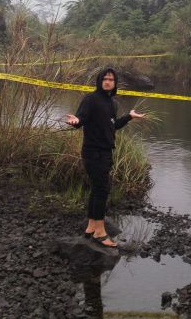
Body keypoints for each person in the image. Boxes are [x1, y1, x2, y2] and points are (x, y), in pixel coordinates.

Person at [65, 67, 145, 248]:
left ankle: (91, 227)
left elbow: (113, 125)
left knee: (96, 189)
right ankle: (100, 233)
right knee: (102, 190)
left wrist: (129, 117)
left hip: (106, 151)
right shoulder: (91, 99)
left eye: (111, 79)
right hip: (93, 152)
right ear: (100, 81)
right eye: (104, 79)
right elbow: (81, 120)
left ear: (115, 83)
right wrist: (76, 122)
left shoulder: (112, 103)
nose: (108, 82)